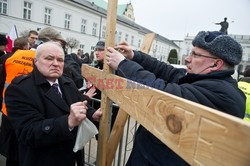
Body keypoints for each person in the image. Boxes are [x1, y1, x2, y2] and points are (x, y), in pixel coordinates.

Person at [106, 31, 245, 165]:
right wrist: (134, 56)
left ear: (216, 64)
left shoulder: (222, 94)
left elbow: (161, 93)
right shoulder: (203, 80)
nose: (187, 58)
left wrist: (123, 64)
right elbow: (166, 70)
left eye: (195, 55)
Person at [4, 42, 102, 166]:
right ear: (36, 61)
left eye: (60, 60)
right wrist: (68, 122)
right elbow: (28, 132)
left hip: (70, 156)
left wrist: (92, 114)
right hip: (42, 159)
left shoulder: (67, 82)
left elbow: (79, 103)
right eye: (49, 58)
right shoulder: (20, 88)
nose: (56, 63)